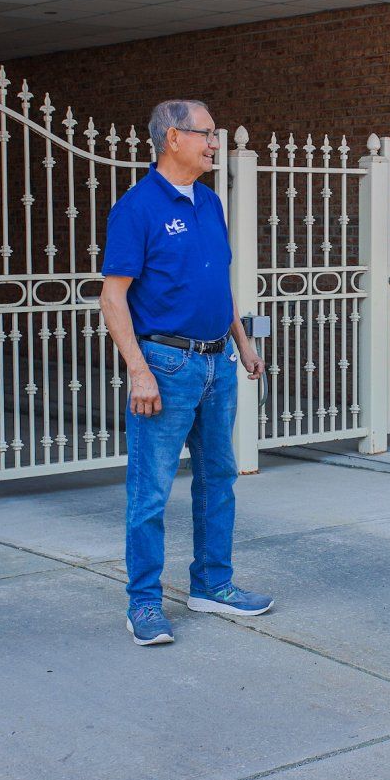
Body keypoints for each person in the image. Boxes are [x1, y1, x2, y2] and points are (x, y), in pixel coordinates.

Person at [100, 99, 270, 646]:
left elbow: (218, 282)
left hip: (218, 361)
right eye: (207, 134)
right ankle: (144, 603)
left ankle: (212, 585)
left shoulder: (210, 202)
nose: (215, 143)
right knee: (150, 490)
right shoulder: (137, 208)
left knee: (219, 478)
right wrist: (138, 369)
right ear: (173, 138)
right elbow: (113, 297)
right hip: (166, 365)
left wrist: (242, 343)